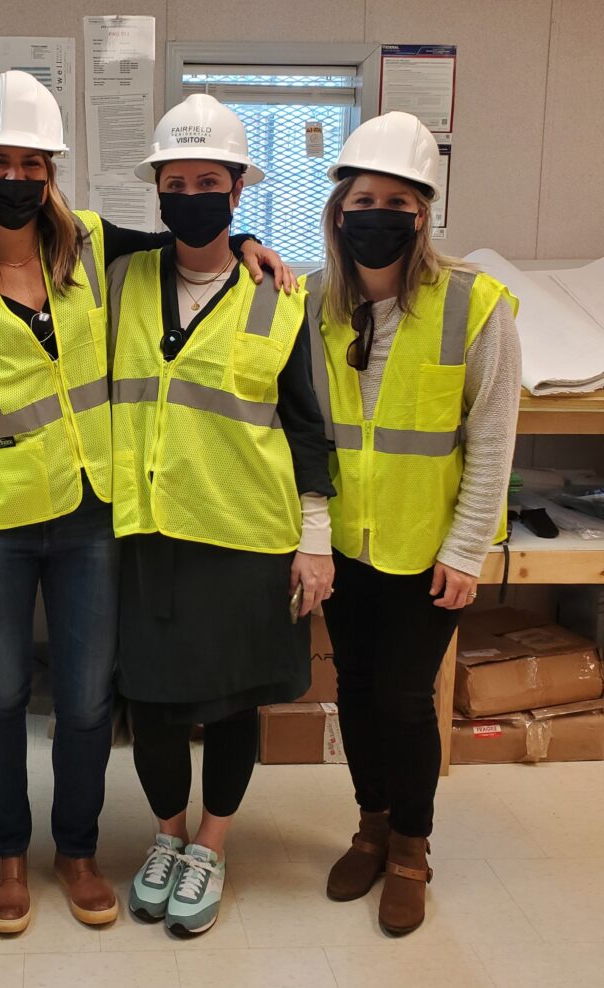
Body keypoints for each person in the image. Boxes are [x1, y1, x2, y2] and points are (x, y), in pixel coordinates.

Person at [0, 71, 291, 936]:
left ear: (53, 174)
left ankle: (75, 851)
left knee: (84, 699)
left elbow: (193, 240)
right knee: (0, 692)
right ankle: (9, 852)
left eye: (35, 164)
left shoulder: (92, 248)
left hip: (91, 512)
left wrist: (256, 237)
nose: (18, 179)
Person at [109, 93, 336, 937]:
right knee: (157, 701)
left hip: (247, 534)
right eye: (177, 180)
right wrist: (239, 246)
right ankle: (166, 836)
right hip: (152, 532)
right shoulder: (121, 277)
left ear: (239, 189)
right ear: (158, 190)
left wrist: (315, 542)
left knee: (236, 705)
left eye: (211, 180)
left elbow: (309, 429)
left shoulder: (285, 296)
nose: (192, 194)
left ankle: (211, 843)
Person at [306, 111, 521, 935]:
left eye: (398, 199)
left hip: (429, 551)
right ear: (338, 209)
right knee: (354, 692)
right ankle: (370, 824)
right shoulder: (315, 305)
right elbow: (309, 432)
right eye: (364, 197)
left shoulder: (475, 303)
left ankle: (412, 848)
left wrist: (469, 549)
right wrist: (314, 538)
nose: (378, 213)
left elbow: (493, 434)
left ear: (423, 213)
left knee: (404, 697)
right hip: (347, 548)